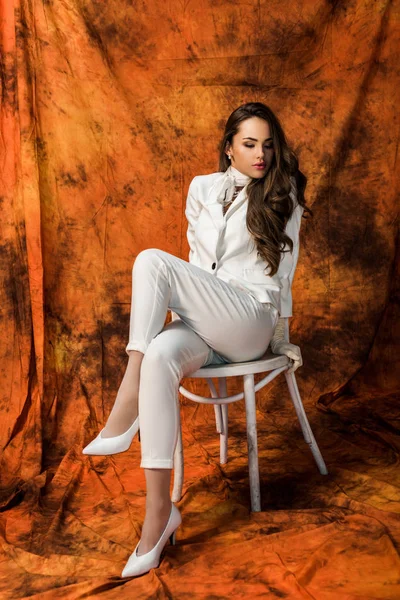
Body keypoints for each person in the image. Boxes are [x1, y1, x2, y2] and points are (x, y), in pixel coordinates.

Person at [82, 102, 313, 578]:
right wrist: (178, 319)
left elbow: (283, 276)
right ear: (228, 146)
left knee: (150, 260)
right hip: (207, 315)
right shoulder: (202, 188)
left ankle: (126, 404)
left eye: (267, 144)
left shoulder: (283, 190)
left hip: (250, 319)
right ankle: (159, 516)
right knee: (162, 353)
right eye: (249, 144)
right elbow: (197, 264)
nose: (260, 154)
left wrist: (280, 340)